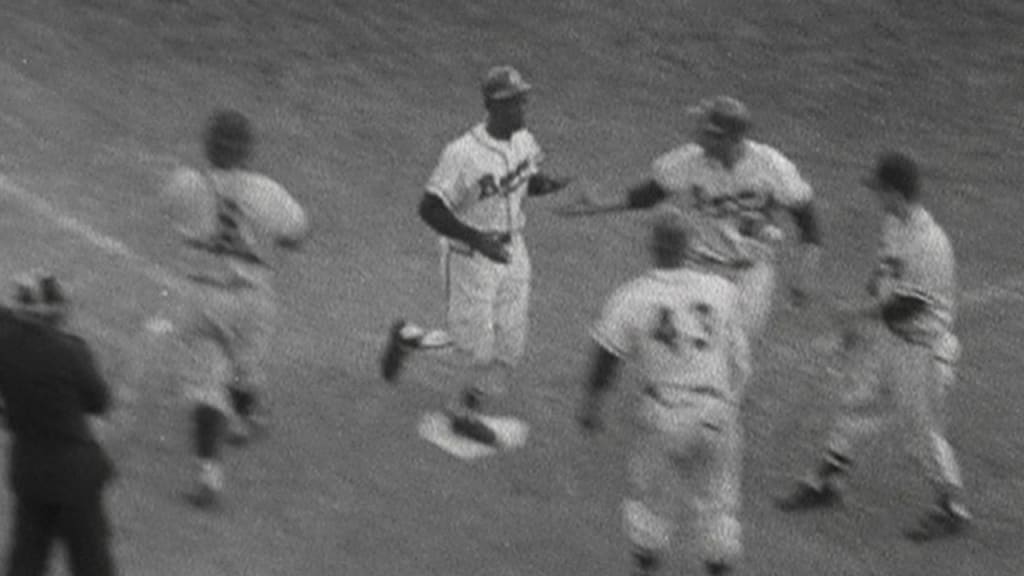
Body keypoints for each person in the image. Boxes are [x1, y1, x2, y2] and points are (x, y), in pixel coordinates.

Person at [775, 151, 970, 542]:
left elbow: (906, 307)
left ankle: (953, 507)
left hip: (921, 348)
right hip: (892, 341)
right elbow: (882, 275)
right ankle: (826, 482)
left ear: (895, 192)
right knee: (858, 403)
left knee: (922, 435)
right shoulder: (893, 224)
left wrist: (857, 315)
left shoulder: (930, 244)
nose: (875, 196)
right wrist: (859, 322)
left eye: (879, 189)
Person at [379, 65, 570, 445]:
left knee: (510, 343)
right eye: (516, 103)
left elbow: (523, 181)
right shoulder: (462, 154)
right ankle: (408, 342)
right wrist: (477, 238)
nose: (523, 108)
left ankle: (461, 405)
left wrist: (550, 185)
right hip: (470, 256)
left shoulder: (524, 140)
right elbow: (429, 209)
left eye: (523, 100)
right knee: (472, 348)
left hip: (513, 250)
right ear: (495, 107)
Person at [562, 95, 822, 342]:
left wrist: (805, 275)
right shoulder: (689, 159)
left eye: (706, 132)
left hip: (751, 272)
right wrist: (597, 206)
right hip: (700, 265)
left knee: (736, 344)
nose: (698, 135)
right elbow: (649, 195)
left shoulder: (772, 166)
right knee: (690, 338)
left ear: (728, 139)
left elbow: (808, 223)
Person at [577, 207, 751, 575]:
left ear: (652, 247)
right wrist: (727, 406)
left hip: (664, 415)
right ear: (691, 247)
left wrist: (593, 405)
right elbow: (740, 361)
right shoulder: (723, 290)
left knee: (652, 508)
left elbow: (606, 358)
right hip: (717, 412)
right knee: (718, 509)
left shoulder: (631, 296)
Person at [162, 109, 309, 508]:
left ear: (207, 146)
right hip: (252, 300)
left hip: (201, 296)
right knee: (245, 373)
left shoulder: (183, 184)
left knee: (207, 385)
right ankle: (248, 414)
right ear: (247, 150)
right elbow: (298, 234)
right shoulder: (268, 191)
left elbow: (173, 215)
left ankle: (210, 472)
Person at [0, 271, 117, 576]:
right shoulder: (70, 351)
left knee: (25, 562)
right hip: (74, 478)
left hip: (29, 472)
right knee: (92, 564)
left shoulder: (6, 344)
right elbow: (100, 401)